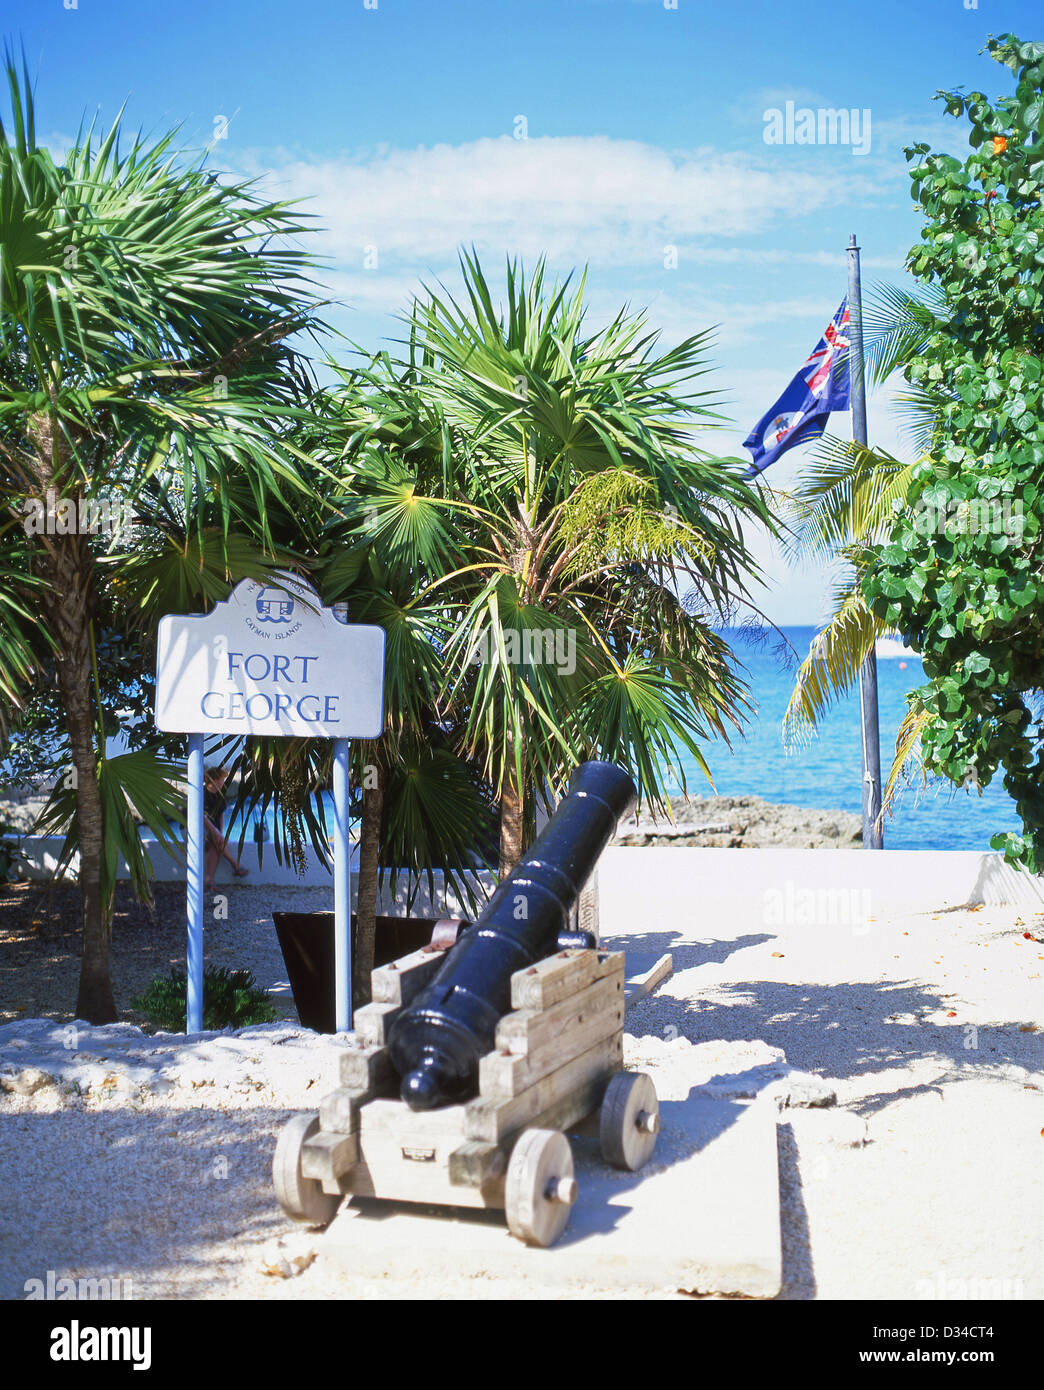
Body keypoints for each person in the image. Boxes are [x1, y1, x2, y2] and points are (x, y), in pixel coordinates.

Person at [202, 767, 249, 891]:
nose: (222, 783)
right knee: (217, 840)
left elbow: (221, 814)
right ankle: (236, 865)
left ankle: (209, 880)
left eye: (223, 780)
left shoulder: (220, 794)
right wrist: (215, 833)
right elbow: (202, 818)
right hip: (199, 829)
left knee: (216, 845)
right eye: (220, 780)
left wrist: (220, 832)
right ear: (210, 780)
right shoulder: (202, 794)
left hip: (212, 830)